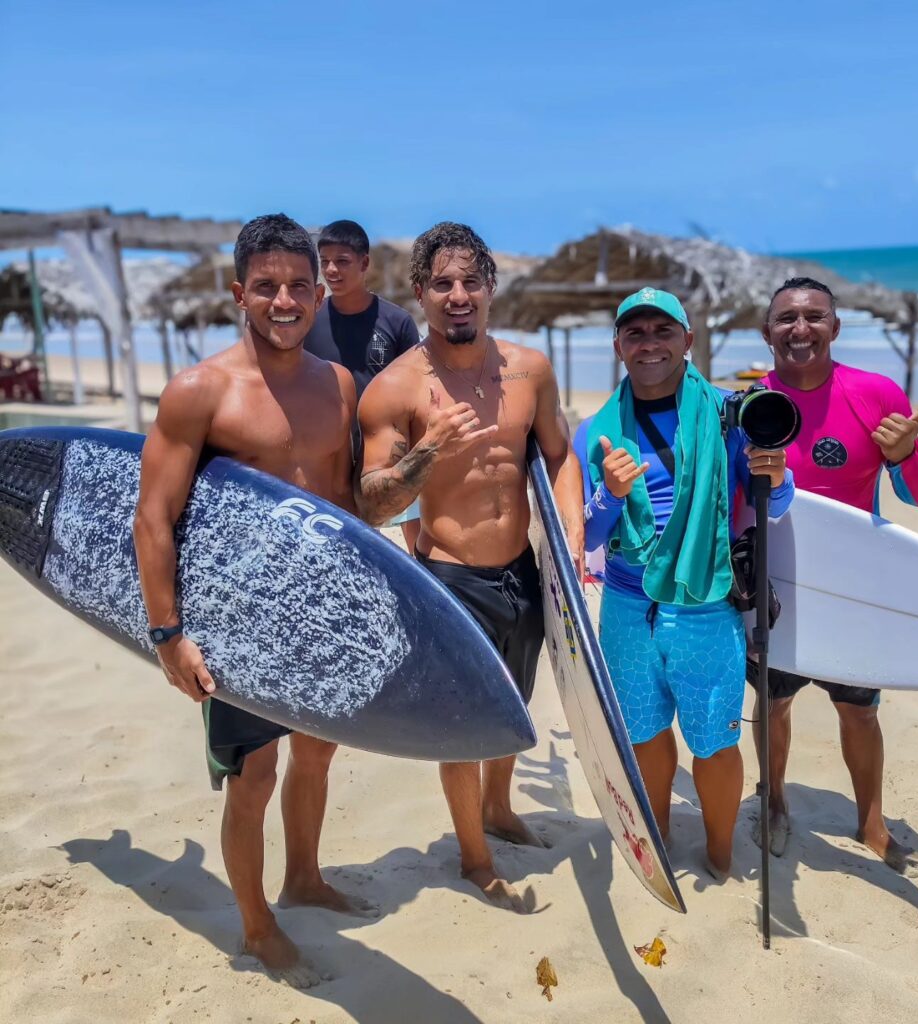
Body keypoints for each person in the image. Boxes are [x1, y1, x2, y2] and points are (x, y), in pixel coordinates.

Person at [133, 214, 374, 989]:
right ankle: (256, 925)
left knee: (318, 752)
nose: (284, 301)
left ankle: (303, 876)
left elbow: (343, 506)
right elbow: (153, 517)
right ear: (239, 292)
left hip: (319, 611)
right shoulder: (200, 391)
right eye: (266, 286)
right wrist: (169, 634)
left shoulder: (338, 386)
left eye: (300, 286)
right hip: (237, 620)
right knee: (254, 776)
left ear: (320, 293)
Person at [356, 221, 584, 912]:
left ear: (490, 288)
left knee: (513, 705)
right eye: (442, 284)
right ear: (420, 293)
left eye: (470, 281)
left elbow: (558, 455)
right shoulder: (392, 391)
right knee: (462, 724)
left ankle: (500, 808)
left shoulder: (530, 370)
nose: (458, 295)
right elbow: (371, 502)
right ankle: (474, 857)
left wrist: (570, 535)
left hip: (521, 568)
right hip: (449, 578)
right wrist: (428, 452)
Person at [575, 287, 793, 880]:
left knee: (714, 742)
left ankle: (720, 853)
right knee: (644, 733)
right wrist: (609, 493)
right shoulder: (594, 431)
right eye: (635, 333)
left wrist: (774, 471)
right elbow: (587, 533)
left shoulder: (731, 412)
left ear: (688, 341)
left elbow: (779, 498)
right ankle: (660, 841)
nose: (649, 344)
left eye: (662, 331)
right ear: (619, 346)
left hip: (705, 606)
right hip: (626, 603)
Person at [752, 276, 918, 875]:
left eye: (812, 317)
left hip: (855, 588)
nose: (799, 328)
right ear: (767, 331)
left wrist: (904, 454)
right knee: (774, 706)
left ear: (835, 327)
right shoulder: (751, 403)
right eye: (786, 318)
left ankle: (871, 820)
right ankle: (774, 803)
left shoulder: (875, 393)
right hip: (777, 582)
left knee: (860, 710)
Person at [304, 218, 422, 552]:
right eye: (324, 261)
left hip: (389, 449)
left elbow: (417, 387)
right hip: (331, 450)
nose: (331, 270)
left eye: (342, 261)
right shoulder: (309, 321)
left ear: (364, 263)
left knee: (413, 544)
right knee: (348, 544)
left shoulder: (396, 322)